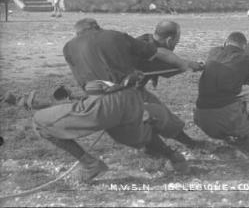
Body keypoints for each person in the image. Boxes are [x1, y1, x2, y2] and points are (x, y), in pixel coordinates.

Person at [33, 19, 198, 184]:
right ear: (97, 27)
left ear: (78, 33)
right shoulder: (117, 36)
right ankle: (175, 158)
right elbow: (158, 52)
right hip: (132, 98)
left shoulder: (69, 47)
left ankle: (90, 164)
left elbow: (85, 83)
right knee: (140, 133)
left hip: (103, 102)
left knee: (39, 122)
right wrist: (185, 64)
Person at [135, 21, 207, 150]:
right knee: (157, 117)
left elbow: (168, 68)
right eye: (176, 42)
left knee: (165, 116)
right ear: (169, 40)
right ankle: (159, 151)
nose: (175, 45)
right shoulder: (150, 50)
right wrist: (193, 66)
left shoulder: (146, 38)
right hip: (123, 91)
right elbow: (168, 69)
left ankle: (189, 143)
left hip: (136, 88)